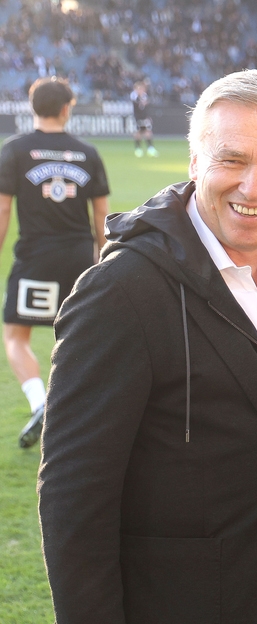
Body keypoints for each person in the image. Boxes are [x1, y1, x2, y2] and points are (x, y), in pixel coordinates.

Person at [37, 69, 257, 624]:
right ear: (195, 162)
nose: (254, 187)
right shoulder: (122, 292)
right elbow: (74, 499)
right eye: (232, 161)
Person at [0, 77, 109, 449]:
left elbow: (1, 210)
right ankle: (78, 415)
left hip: (36, 258)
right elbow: (102, 215)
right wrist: (104, 259)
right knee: (77, 339)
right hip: (80, 259)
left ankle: (40, 402)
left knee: (16, 336)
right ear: (67, 109)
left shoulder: (14, 150)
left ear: (33, 108)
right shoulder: (87, 152)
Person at [130, 80, 158, 157]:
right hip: (138, 117)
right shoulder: (134, 96)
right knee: (138, 132)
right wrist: (142, 101)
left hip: (145, 117)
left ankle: (150, 148)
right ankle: (138, 149)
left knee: (148, 131)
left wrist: (148, 116)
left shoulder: (144, 96)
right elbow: (137, 104)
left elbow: (147, 107)